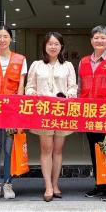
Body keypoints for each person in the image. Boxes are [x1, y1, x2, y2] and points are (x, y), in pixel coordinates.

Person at [25, 32, 78, 201]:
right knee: (46, 149)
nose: (53, 47)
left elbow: (73, 86)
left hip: (62, 111)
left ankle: (55, 184)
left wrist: (70, 94)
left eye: (56, 44)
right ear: (44, 46)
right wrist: (32, 93)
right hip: (43, 111)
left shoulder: (68, 65)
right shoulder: (36, 65)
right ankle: (48, 185)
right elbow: (29, 86)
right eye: (50, 44)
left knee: (58, 150)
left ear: (61, 47)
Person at [78, 25, 106, 202]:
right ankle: (99, 184)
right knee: (94, 148)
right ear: (91, 40)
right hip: (89, 114)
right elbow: (80, 88)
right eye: (96, 37)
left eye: (103, 38)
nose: (99, 40)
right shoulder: (83, 62)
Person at [0, 26, 27, 201]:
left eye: (5, 36)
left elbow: (21, 85)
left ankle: (8, 183)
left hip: (11, 110)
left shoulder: (20, 59)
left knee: (9, 150)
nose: (2, 39)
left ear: (11, 39)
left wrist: (18, 108)